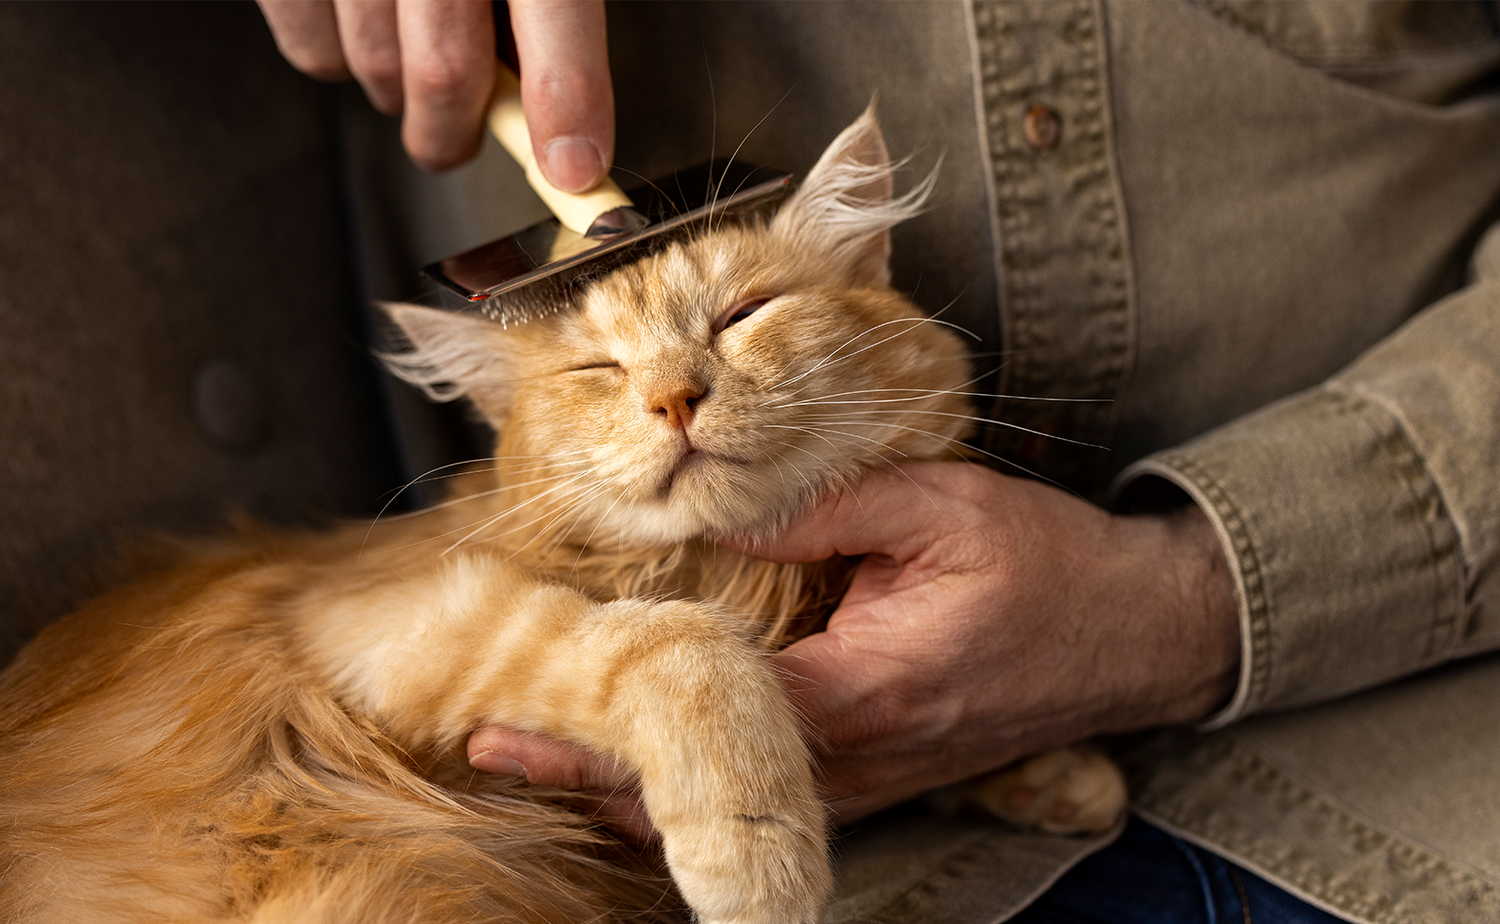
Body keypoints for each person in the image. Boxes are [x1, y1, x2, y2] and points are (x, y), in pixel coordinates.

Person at [269, 2, 1500, 920]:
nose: (673, 395)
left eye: (740, 322)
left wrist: (1196, 588)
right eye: (601, 377)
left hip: (1397, 736)